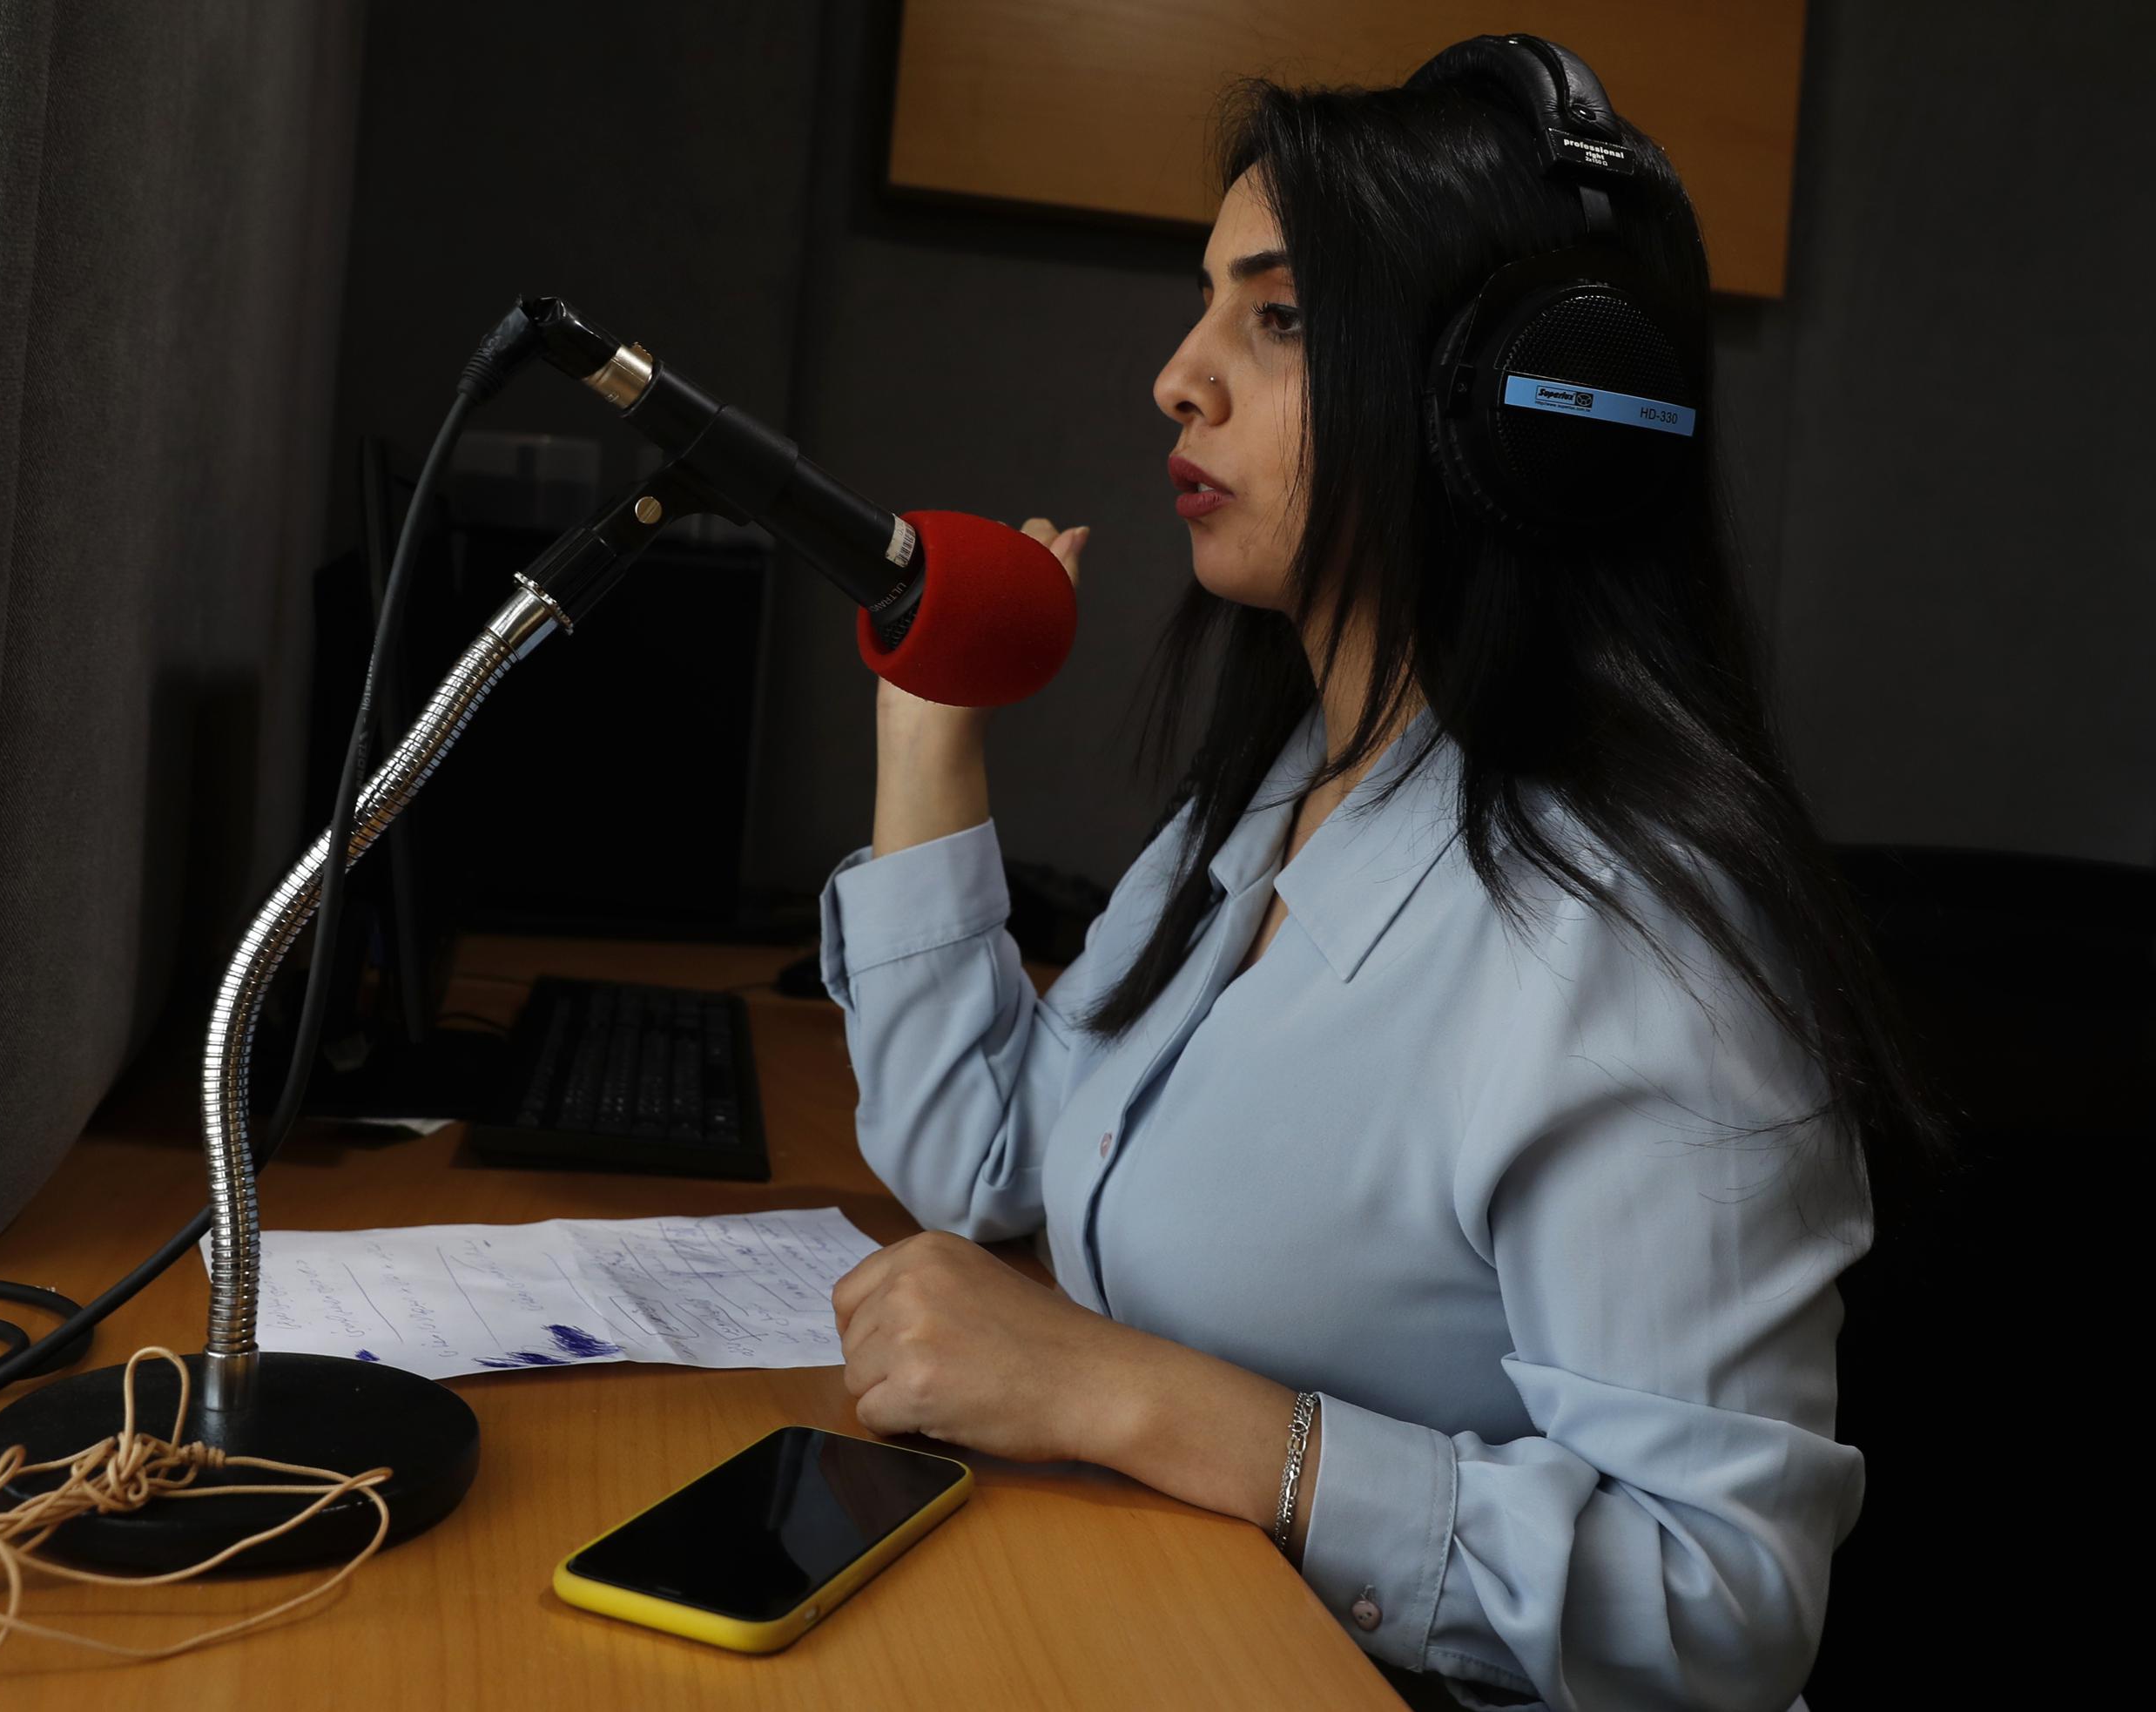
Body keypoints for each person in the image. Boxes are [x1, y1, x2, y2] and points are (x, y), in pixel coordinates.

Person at [816, 36, 1932, 1712]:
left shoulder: (1642, 951)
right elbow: (988, 1170)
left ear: (1509, 398)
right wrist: (930, 727)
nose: (1177, 378)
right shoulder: (1272, 801)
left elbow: (1720, 1604)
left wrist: (1130, 1397)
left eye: (1275, 317)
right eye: (1208, 304)